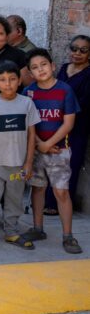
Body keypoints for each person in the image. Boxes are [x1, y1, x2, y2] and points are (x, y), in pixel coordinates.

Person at [22, 49, 83, 254]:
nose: (41, 70)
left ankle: (68, 235)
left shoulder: (65, 90)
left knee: (61, 192)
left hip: (59, 151)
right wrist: (39, 143)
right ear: (30, 73)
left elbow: (68, 123)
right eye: (35, 68)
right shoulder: (29, 92)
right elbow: (28, 123)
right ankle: (38, 228)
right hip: (36, 149)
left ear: (53, 66)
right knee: (37, 188)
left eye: (44, 65)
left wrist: (48, 144)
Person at [0, 61, 40, 251]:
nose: (8, 83)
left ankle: (12, 232)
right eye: (3, 80)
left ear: (19, 80)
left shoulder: (27, 103)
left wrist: (28, 163)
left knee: (14, 199)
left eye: (12, 79)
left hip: (18, 166)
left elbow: (31, 135)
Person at [50, 35, 90, 211]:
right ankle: (49, 203)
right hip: (56, 124)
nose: (77, 53)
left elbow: (85, 101)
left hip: (78, 125)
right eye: (74, 48)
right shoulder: (65, 68)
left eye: (83, 50)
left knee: (70, 165)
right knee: (53, 163)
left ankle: (62, 206)